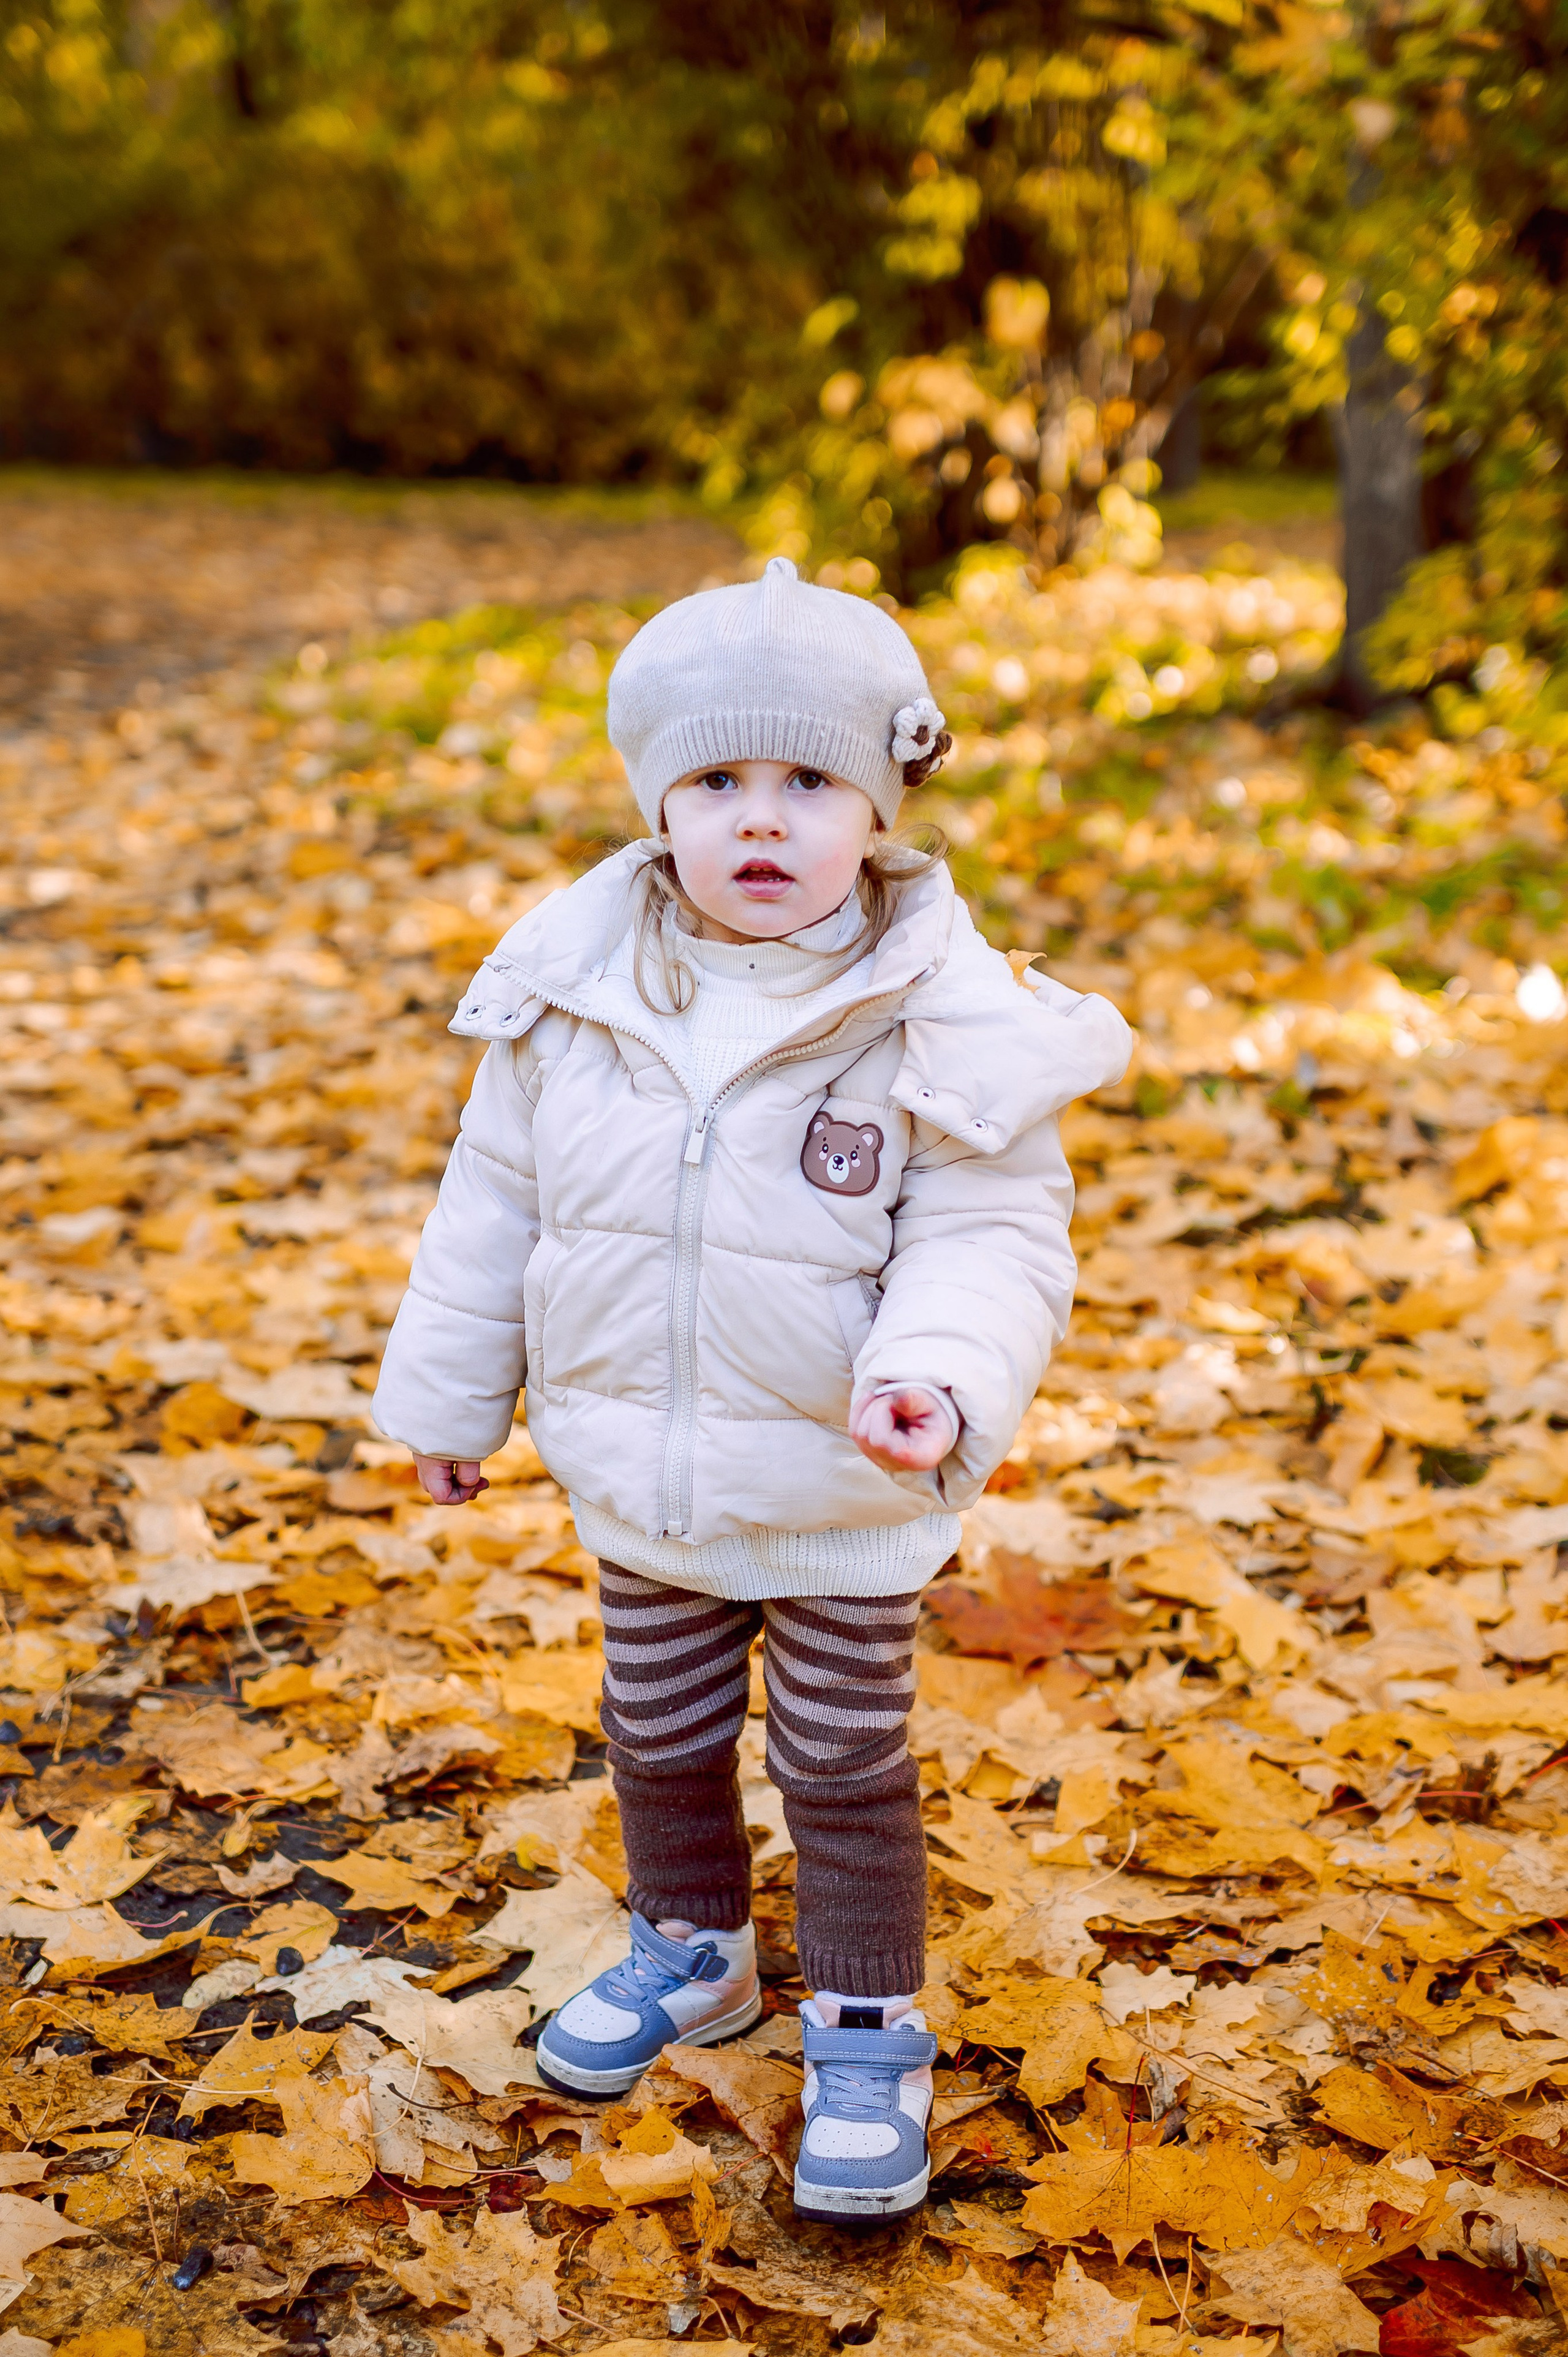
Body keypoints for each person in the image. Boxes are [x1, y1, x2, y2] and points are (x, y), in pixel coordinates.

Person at [372, 556, 1131, 2222]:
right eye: (718, 783)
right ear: (658, 804)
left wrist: (934, 1371)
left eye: (810, 782)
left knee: (846, 1761)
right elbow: (490, 1200)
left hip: (844, 1481)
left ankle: (867, 2022)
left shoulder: (943, 1013)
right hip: (641, 1472)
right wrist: (447, 1399)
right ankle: (695, 1950)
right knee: (653, 1726)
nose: (762, 821)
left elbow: (992, 1231)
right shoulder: (580, 986)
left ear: (882, 806)